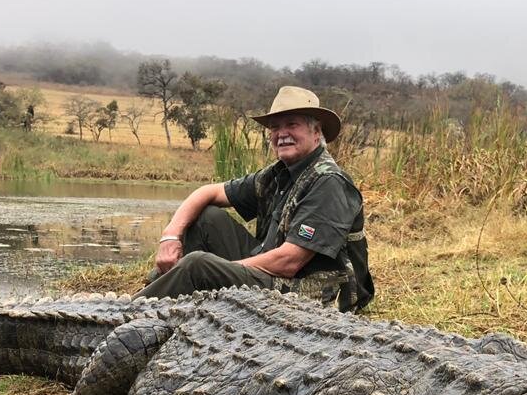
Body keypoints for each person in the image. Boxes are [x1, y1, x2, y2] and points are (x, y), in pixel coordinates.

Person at [136, 86, 373, 311]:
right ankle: (151, 299)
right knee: (207, 218)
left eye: (292, 124)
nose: (282, 134)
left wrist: (216, 270)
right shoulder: (279, 173)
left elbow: (289, 262)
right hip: (270, 268)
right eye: (275, 127)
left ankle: (127, 314)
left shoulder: (328, 182)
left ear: (316, 131)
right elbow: (208, 192)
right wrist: (170, 236)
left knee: (197, 264)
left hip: (309, 291)